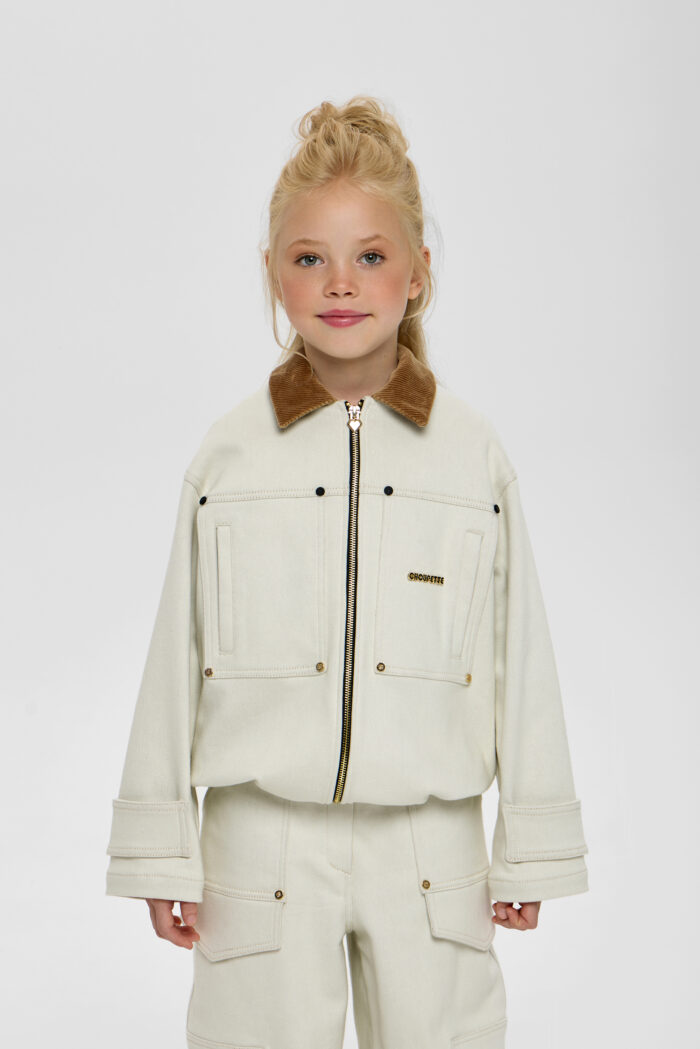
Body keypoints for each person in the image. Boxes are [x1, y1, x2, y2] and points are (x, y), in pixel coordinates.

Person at [105, 95, 589, 1049]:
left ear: (418, 272)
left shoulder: (472, 457)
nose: (339, 283)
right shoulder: (231, 455)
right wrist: (161, 846)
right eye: (308, 258)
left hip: (430, 844)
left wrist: (531, 843)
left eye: (370, 255)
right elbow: (176, 651)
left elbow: (521, 653)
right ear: (272, 273)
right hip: (259, 845)